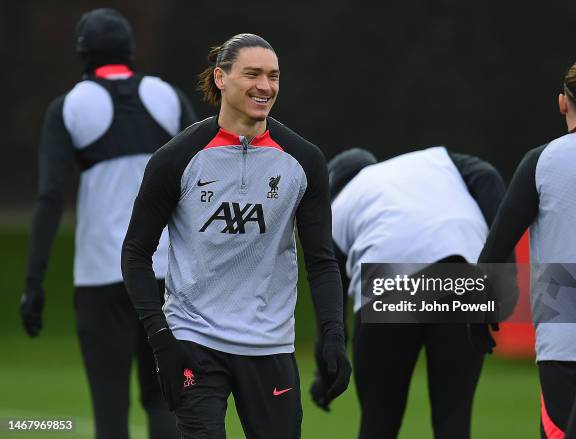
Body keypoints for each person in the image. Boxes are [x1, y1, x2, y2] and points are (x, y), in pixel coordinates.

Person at [121, 33, 351, 439]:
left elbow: (322, 261)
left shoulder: (304, 160)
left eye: (273, 76)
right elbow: (136, 253)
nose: (266, 86)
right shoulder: (176, 159)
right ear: (221, 78)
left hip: (270, 345)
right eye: (253, 74)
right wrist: (162, 340)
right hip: (193, 339)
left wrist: (334, 336)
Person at [20, 8, 197, 439]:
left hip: (102, 278)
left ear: (83, 54)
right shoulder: (168, 98)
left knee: (110, 402)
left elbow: (49, 198)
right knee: (164, 401)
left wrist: (34, 282)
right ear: (130, 51)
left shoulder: (70, 107)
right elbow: (206, 176)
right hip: (165, 277)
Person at [325, 147, 507, 438]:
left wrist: (329, 362)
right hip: (461, 271)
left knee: (379, 421)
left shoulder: (337, 206)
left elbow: (330, 288)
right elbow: (486, 176)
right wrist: (498, 281)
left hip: (389, 281)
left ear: (334, 187)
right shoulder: (432, 160)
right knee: (454, 419)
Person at [477, 57, 576, 438]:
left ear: (562, 103)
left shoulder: (541, 161)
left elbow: (497, 246)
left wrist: (478, 316)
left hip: (565, 335)